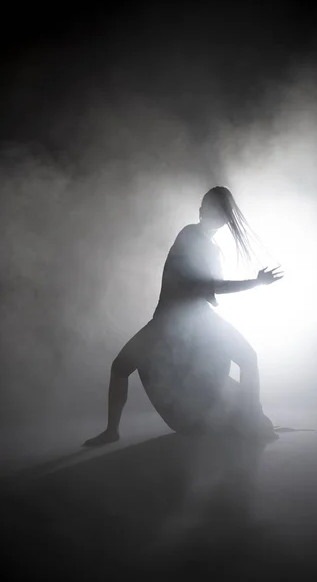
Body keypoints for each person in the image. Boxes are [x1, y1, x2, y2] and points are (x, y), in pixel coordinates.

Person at [84, 186, 283, 446]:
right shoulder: (190, 235)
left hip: (197, 319)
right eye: (212, 210)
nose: (217, 217)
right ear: (201, 211)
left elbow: (207, 291)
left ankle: (251, 418)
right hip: (170, 319)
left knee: (247, 356)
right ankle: (112, 431)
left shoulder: (209, 246)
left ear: (225, 218)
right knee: (121, 366)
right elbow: (207, 286)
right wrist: (254, 283)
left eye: (222, 212)